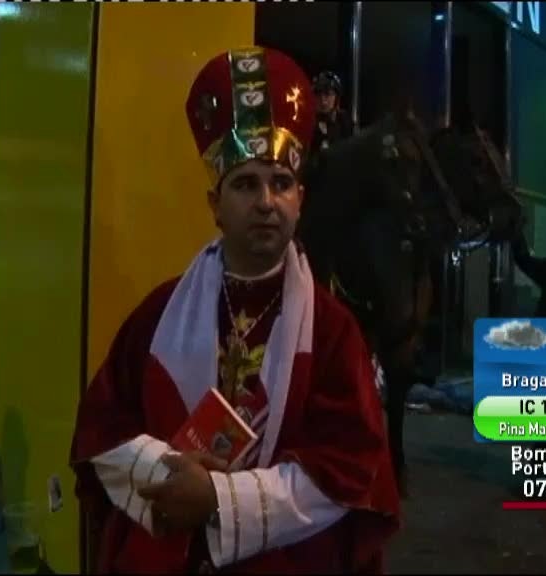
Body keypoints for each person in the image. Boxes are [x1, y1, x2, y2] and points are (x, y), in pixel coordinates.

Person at [70, 46, 400, 574]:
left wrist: (219, 501)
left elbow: (351, 467)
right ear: (215, 206)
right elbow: (101, 431)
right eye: (246, 184)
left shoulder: (333, 331)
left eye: (281, 183)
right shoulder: (157, 315)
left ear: (300, 200)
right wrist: (167, 475)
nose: (266, 201)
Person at [311, 70, 352, 153]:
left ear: (336, 97)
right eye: (318, 95)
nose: (323, 101)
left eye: (327, 94)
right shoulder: (306, 121)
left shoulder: (344, 121)